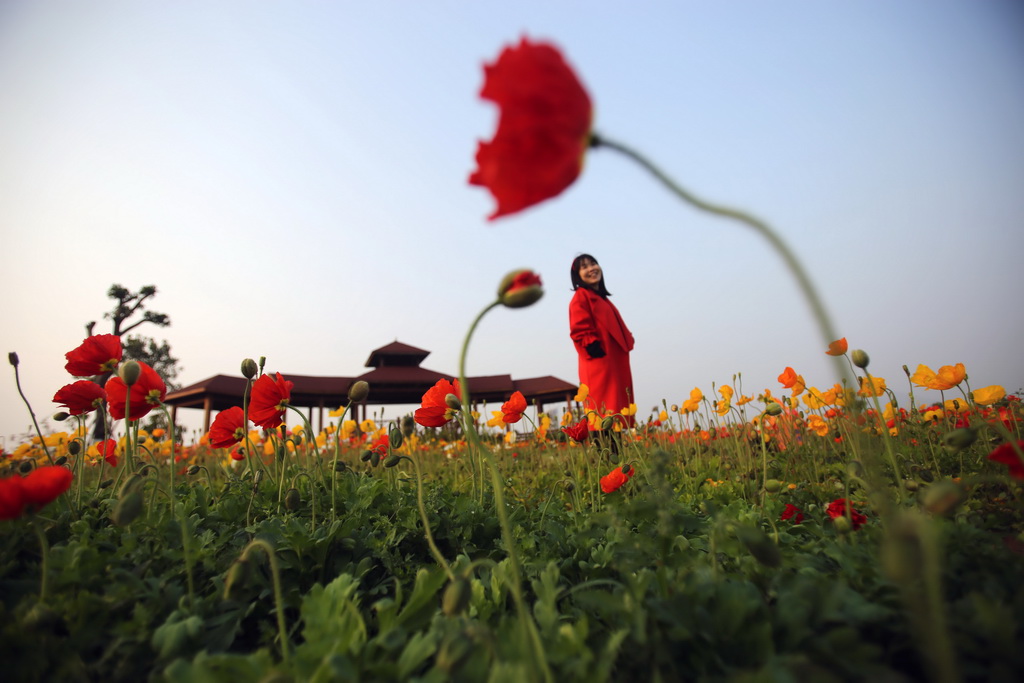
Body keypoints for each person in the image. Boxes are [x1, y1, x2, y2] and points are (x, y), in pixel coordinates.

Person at [568, 254, 635, 433]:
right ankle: (606, 458)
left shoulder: (603, 299)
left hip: (614, 363)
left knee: (616, 413)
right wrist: (593, 347)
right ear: (577, 275)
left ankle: (615, 458)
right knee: (602, 413)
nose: (591, 269)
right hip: (599, 362)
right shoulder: (581, 297)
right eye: (584, 267)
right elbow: (579, 328)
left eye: (593, 264)